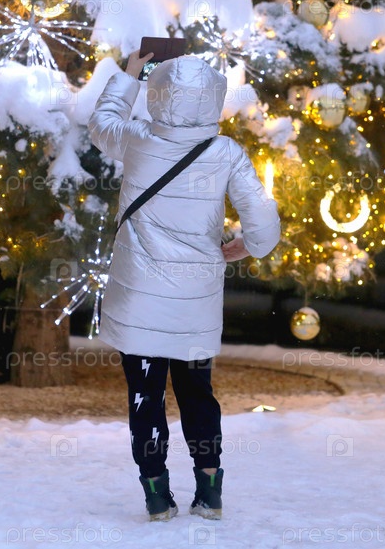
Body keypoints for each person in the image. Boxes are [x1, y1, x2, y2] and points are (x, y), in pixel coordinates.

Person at [88, 50, 281, 522]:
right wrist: (248, 246)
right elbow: (263, 224)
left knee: (145, 396)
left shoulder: (137, 140)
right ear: (212, 98)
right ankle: (210, 491)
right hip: (195, 302)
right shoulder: (226, 153)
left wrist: (129, 75)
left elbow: (101, 124)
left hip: (139, 301)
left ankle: (157, 495)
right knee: (197, 393)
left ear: (159, 95)